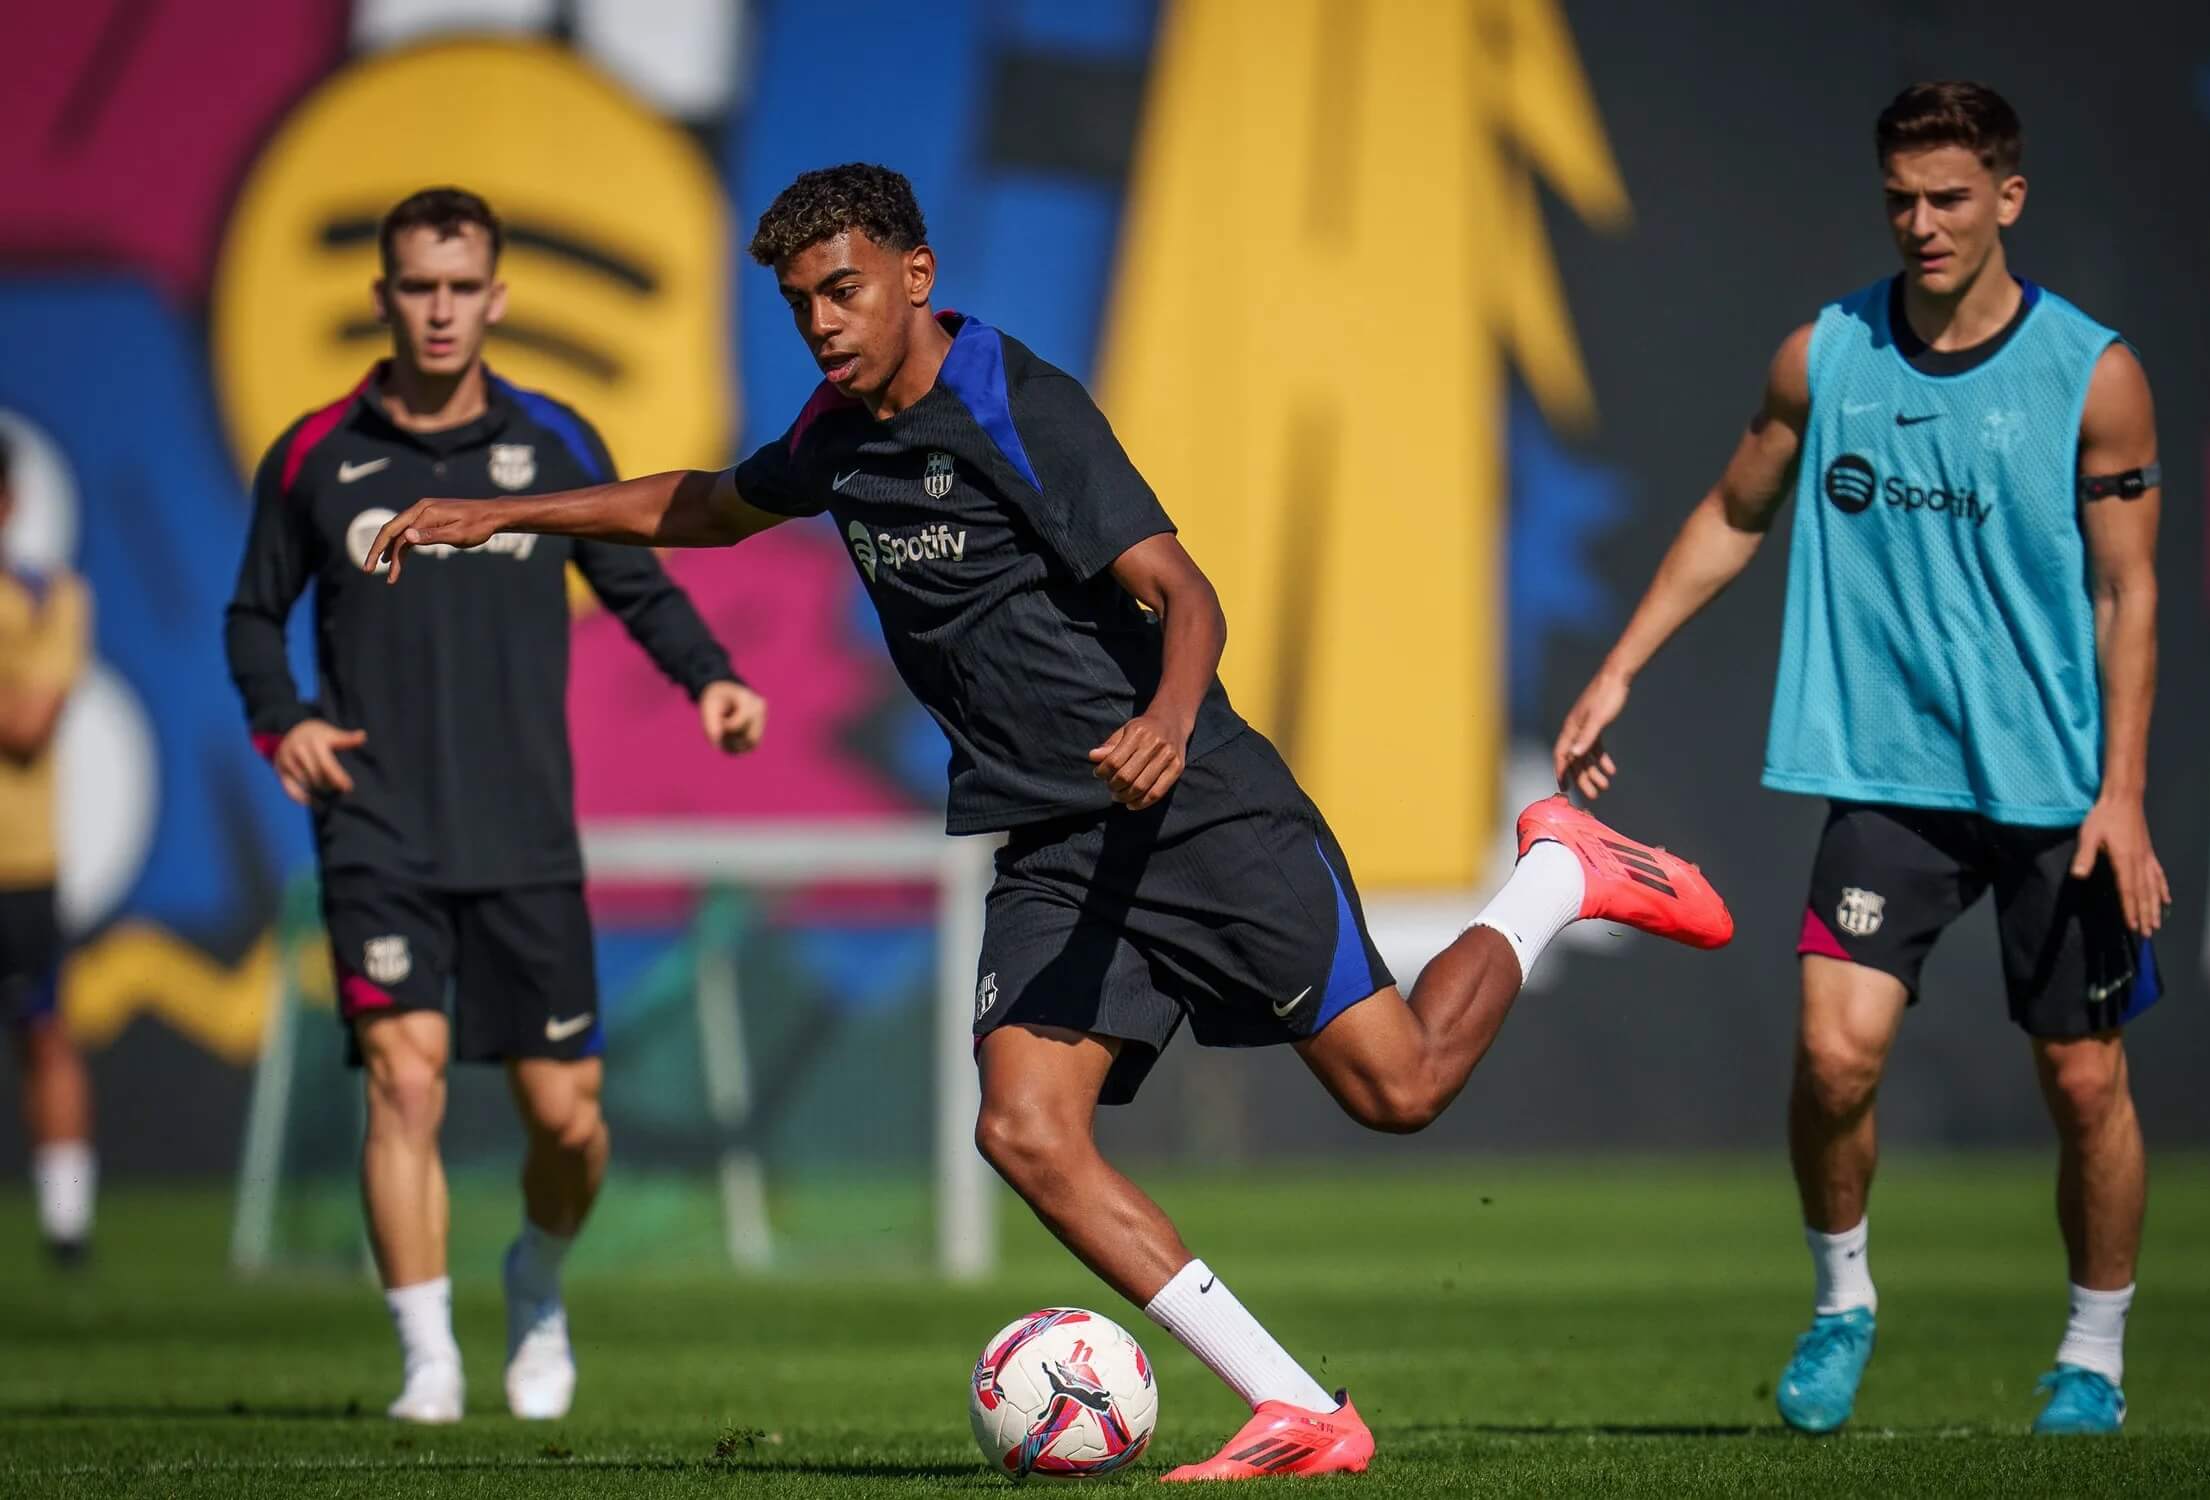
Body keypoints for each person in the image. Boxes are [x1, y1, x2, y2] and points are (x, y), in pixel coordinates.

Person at [362, 163, 1732, 1481]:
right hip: (1057, 842)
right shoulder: (840, 436)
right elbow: (712, 504)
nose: (823, 324)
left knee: (1403, 1089)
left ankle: (1559, 872)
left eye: (843, 291)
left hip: (1195, 806)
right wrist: (498, 515)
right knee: (1022, 1130)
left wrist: (1170, 723)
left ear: (915, 274)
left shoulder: (1014, 399)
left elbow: (1186, 595)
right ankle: (1298, 1409)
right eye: (800, 304)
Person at [1553, 82, 2168, 1437]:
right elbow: (1733, 508)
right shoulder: (1824, 356)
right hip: (1888, 779)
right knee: (1835, 1062)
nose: (1922, 224)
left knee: (2084, 1081)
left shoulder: (2094, 373)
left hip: (2056, 790)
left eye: (1950, 198)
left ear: (2009, 197)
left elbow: (2130, 594)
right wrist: (1620, 665)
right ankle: (1842, 1306)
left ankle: (2094, 1351)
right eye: (1901, 199)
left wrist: (2122, 795)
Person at [224, 187, 767, 1425]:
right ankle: (428, 1361)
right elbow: (252, 614)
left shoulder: (554, 438)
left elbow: (640, 582)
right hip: (378, 823)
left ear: (498, 298)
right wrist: (284, 719)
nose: (440, 310)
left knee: (568, 1122)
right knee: (403, 1084)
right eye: (418, 285)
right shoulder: (316, 454)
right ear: (383, 297)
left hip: (524, 833)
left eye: (462, 287)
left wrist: (714, 680)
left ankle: (535, 1278)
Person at [0, 429, 99, 1267]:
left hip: (18, 860)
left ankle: (67, 1225)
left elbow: (28, 725)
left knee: (43, 1032)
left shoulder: (48, 597)